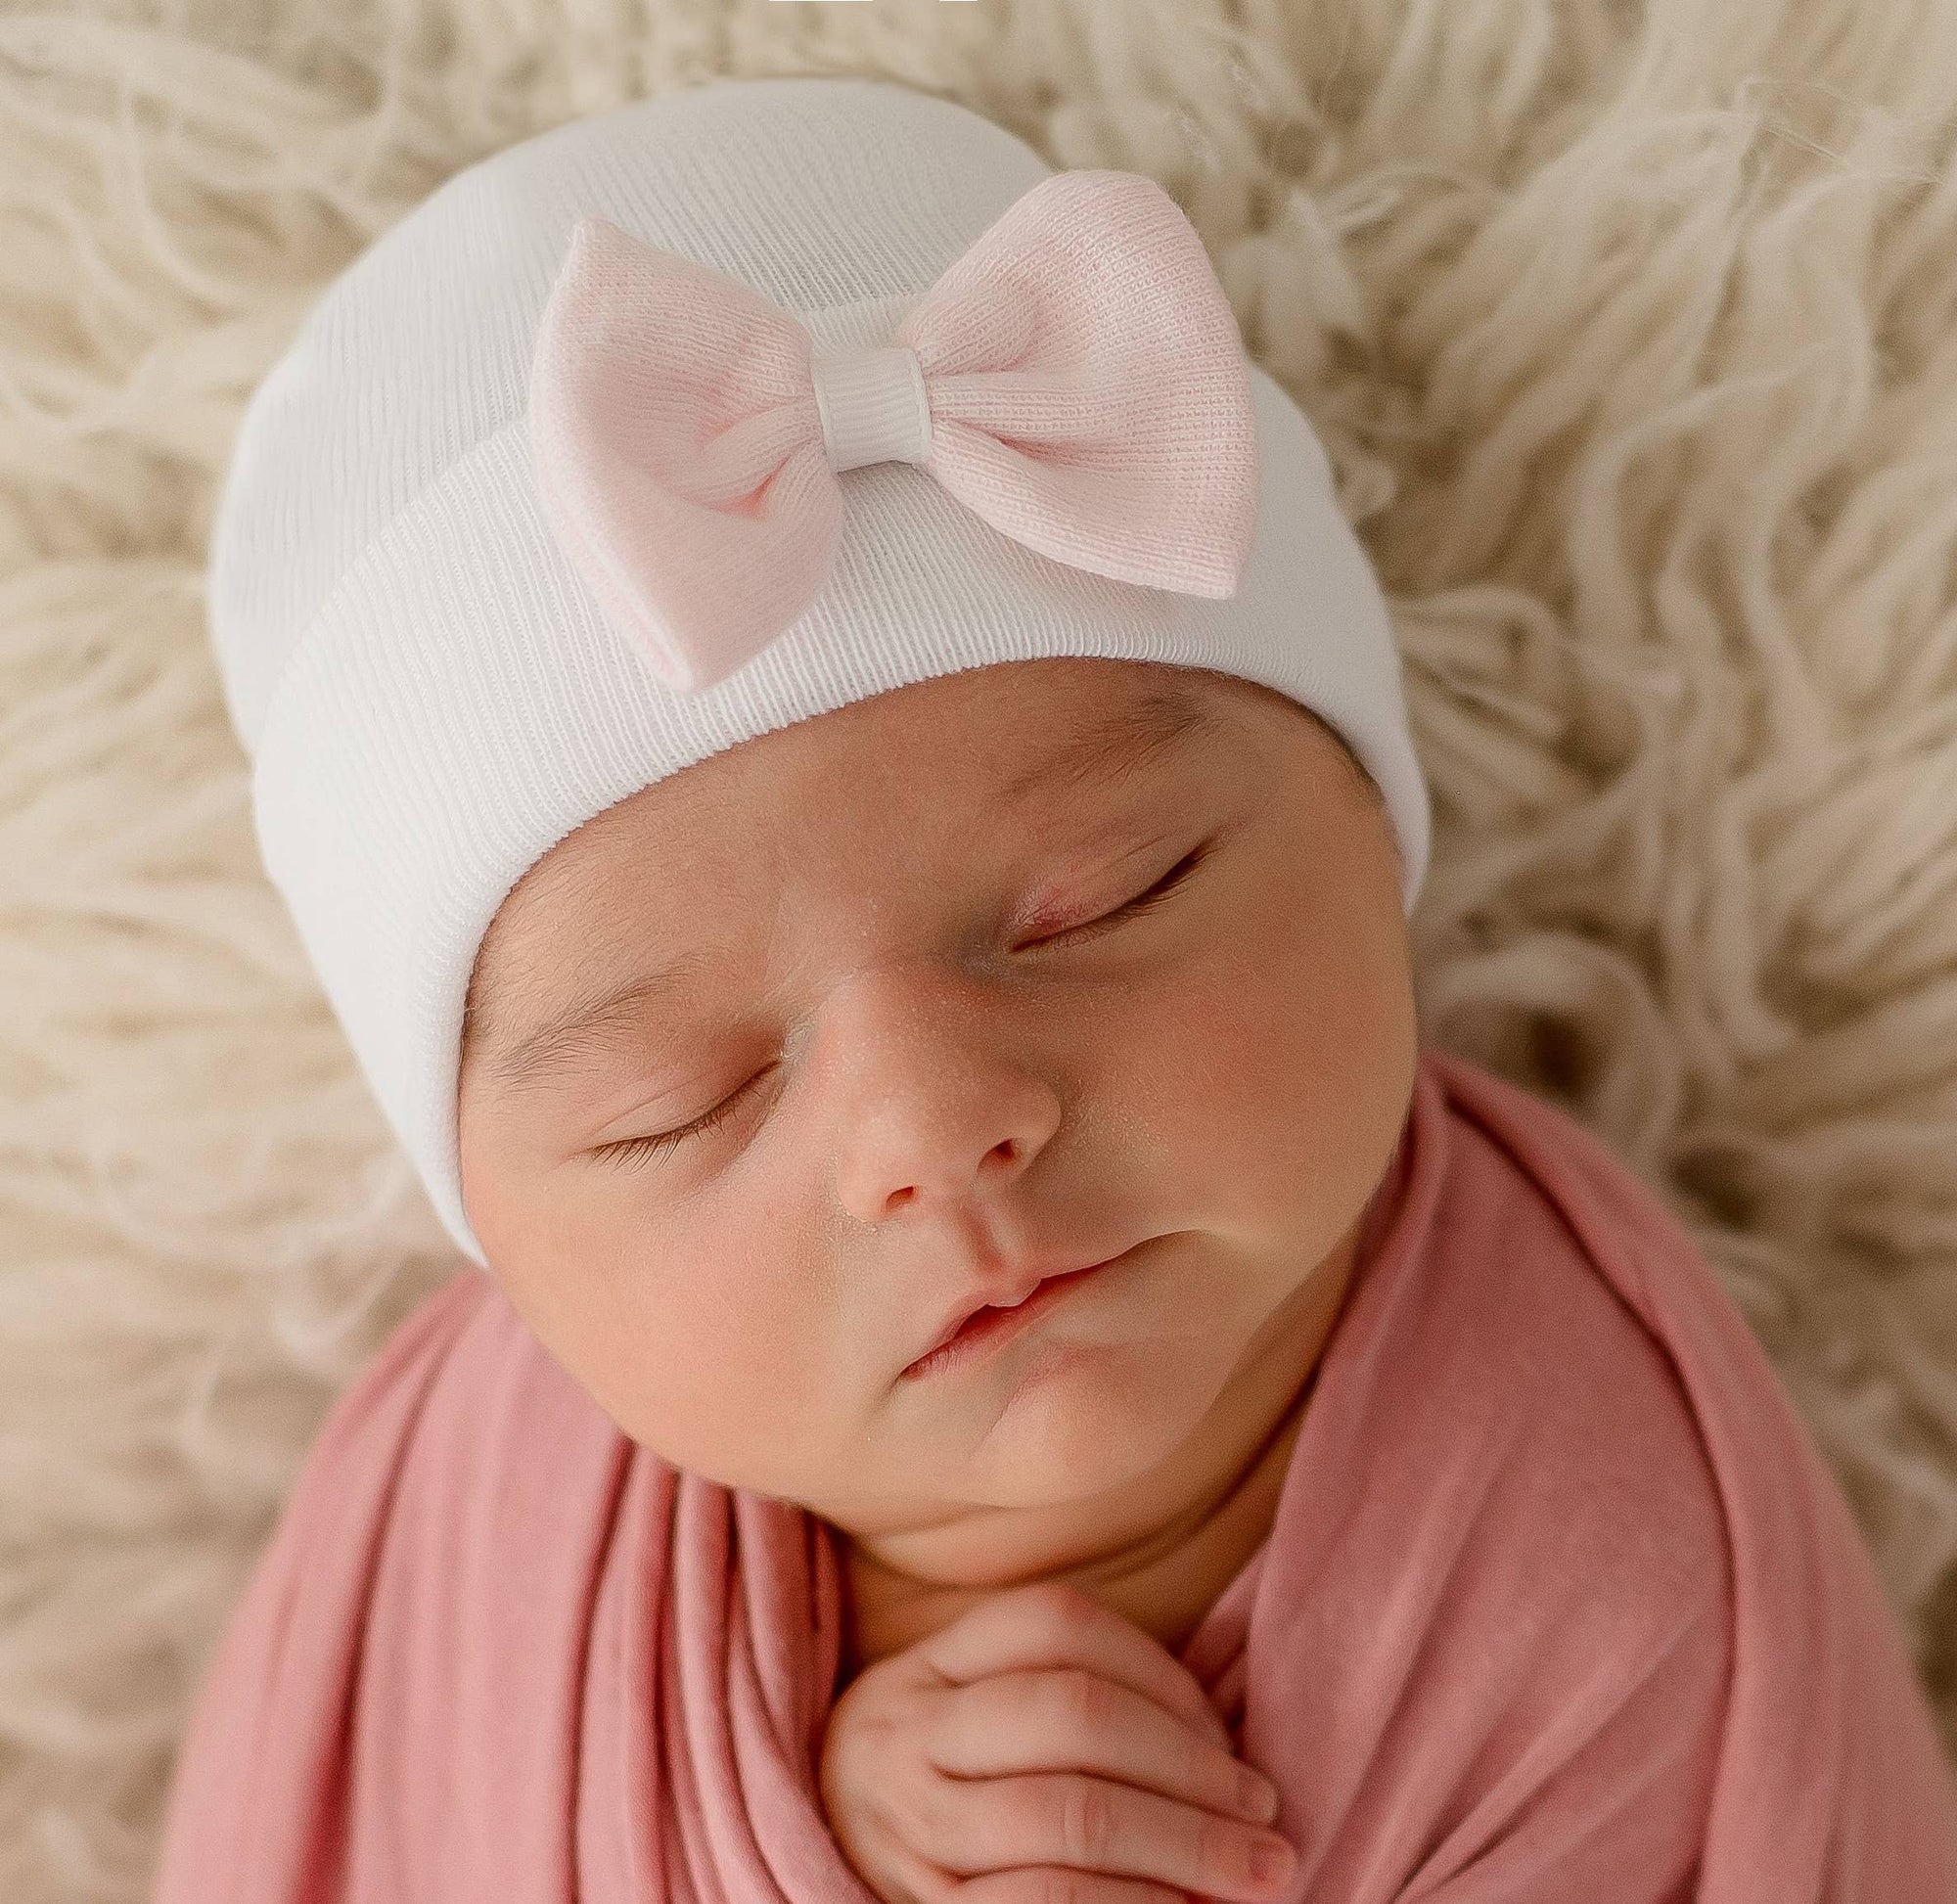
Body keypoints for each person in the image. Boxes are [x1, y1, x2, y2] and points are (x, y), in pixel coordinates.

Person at [150, 71, 1957, 1903]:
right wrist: (819, 1827)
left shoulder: (1591, 1545)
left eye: (1106, 900)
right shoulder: (480, 1528)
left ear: (1370, 826)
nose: (932, 1128)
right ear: (502, 1244)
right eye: (679, 1098)